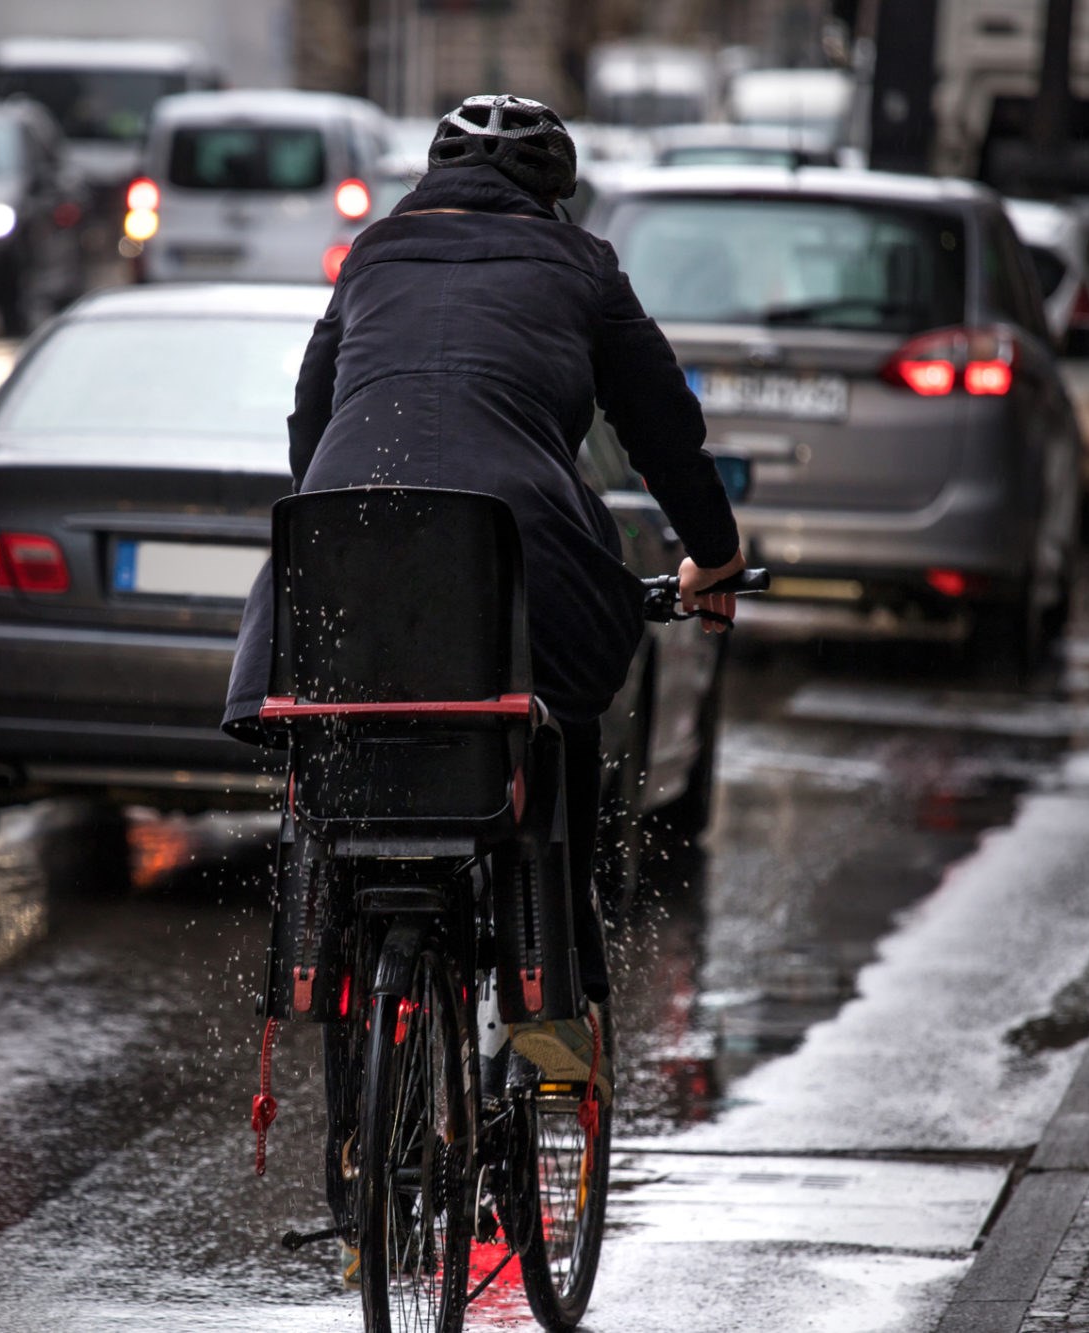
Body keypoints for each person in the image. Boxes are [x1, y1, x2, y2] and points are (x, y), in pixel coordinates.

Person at [223, 95, 743, 1101]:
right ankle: (552, 983)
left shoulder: (372, 255)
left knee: (340, 727)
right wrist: (713, 558)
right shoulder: (583, 267)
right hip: (521, 547)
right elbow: (662, 431)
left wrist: (339, 531)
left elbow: (310, 420)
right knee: (561, 711)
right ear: (553, 195)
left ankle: (338, 960)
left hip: (339, 547)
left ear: (434, 179)